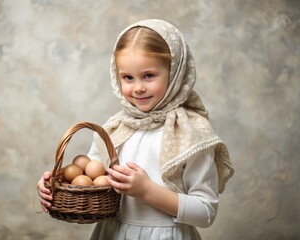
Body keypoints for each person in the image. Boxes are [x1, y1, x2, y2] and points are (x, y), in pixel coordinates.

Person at [37, 19, 234, 240]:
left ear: (175, 72)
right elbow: (89, 179)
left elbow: (206, 212)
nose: (138, 87)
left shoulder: (191, 133)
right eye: (128, 78)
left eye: (149, 75)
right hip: (113, 233)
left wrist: (147, 191)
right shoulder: (114, 129)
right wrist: (57, 183)